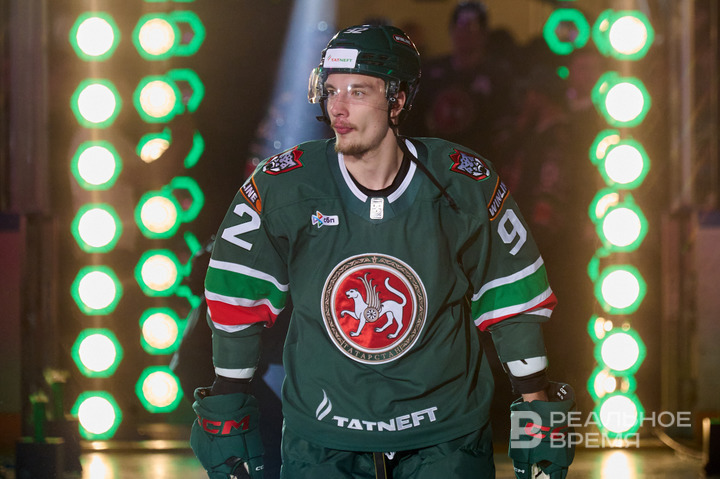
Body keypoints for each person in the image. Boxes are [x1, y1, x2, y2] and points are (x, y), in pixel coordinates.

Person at [190, 24, 575, 479]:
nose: (338, 107)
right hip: (323, 438)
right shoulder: (284, 184)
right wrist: (228, 401)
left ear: (397, 100)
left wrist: (537, 410)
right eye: (330, 90)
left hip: (445, 436)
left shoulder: (463, 183)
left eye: (357, 91)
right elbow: (237, 296)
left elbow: (513, 298)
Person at [404, 2, 514, 158]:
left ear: (484, 34)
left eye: (472, 28)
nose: (465, 34)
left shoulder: (498, 76)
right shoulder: (430, 72)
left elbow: (505, 124)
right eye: (461, 27)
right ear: (451, 30)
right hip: (437, 160)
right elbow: (413, 120)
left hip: (482, 161)